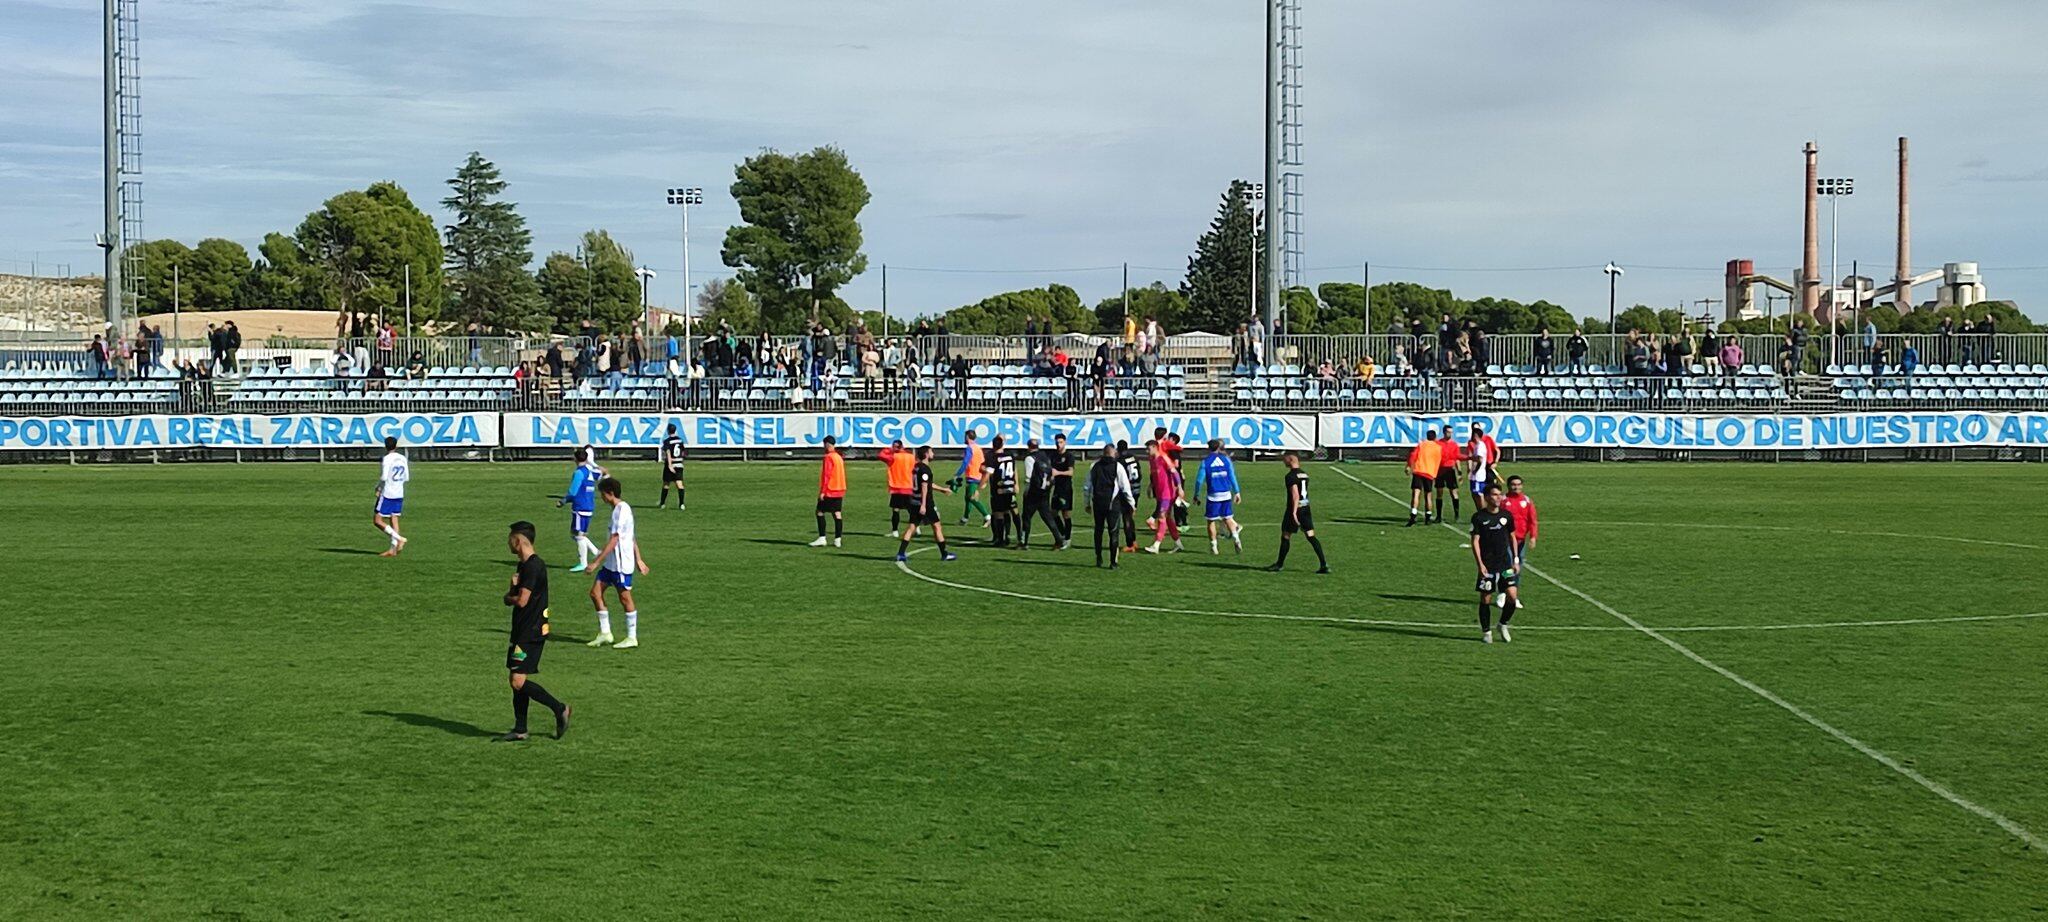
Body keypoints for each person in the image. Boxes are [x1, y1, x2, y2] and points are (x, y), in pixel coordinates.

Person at [498, 521, 570, 742]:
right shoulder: (524, 565)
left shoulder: (532, 566)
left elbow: (521, 601)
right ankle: (520, 728)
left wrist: (507, 597)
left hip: (531, 632)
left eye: (510, 538)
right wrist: (512, 588)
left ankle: (560, 708)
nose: (508, 542)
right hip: (523, 629)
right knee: (516, 677)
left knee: (518, 681)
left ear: (518, 540)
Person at [586, 478, 648, 649]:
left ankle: (632, 637)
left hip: (620, 565)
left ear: (610, 493)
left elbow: (615, 540)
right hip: (610, 564)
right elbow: (631, 537)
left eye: (602, 494)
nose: (601, 497)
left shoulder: (621, 511)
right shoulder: (618, 510)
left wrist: (595, 562)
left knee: (625, 598)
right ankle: (605, 633)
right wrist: (639, 559)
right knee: (595, 593)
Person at [1470, 484, 1520, 644]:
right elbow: (1475, 541)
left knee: (1512, 596)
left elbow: (1512, 537)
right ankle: (1486, 631)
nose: (1498, 497)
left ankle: (1503, 624)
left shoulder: (1506, 516)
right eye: (1494, 494)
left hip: (1505, 565)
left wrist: (1516, 559)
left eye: (1500, 494)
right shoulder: (1479, 517)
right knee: (1485, 599)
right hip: (1488, 566)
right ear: (1486, 497)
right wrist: (1480, 564)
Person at [1265, 453, 1328, 573]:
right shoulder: (1304, 474)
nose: (1283, 462)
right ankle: (1324, 564)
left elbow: (1295, 495)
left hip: (1295, 509)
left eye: (1285, 459)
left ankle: (1279, 564)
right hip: (1306, 508)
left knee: (1286, 535)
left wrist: (1293, 512)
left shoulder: (1290, 476)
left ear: (1290, 460)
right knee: (1311, 536)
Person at [895, 446, 957, 562]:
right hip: (925, 503)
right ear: (926, 454)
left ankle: (901, 553)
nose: (933, 454)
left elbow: (927, 484)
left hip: (914, 501)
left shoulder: (916, 467)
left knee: (912, 527)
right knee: (936, 526)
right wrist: (923, 504)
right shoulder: (925, 469)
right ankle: (944, 554)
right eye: (931, 452)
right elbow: (924, 486)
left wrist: (942, 490)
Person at [1086, 443, 1135, 568]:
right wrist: (1132, 504)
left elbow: (1087, 486)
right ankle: (1113, 562)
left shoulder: (1094, 466)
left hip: (1098, 503)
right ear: (1113, 453)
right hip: (1112, 504)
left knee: (1098, 530)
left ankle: (1099, 558)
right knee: (1113, 532)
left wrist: (1087, 503)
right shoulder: (1117, 466)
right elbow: (1125, 487)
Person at [556, 448, 605, 572]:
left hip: (580, 507)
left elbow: (573, 491)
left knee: (578, 535)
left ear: (575, 458)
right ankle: (596, 552)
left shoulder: (579, 473)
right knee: (577, 533)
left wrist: (563, 501)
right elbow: (601, 473)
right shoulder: (590, 471)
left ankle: (583, 563)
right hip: (589, 506)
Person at [1196, 439, 1244, 555]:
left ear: (1208, 448)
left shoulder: (1205, 462)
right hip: (1226, 494)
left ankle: (1214, 546)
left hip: (1213, 495)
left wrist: (1196, 494)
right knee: (1227, 518)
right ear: (1219, 447)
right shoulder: (1226, 460)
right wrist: (1237, 492)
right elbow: (1232, 476)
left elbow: (1199, 480)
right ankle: (1236, 538)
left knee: (1211, 521)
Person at [1499, 474, 1539, 612]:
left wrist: (1533, 537)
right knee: (1508, 566)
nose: (1516, 487)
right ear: (1508, 486)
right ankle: (1503, 593)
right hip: (1505, 539)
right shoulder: (1503, 500)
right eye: (1513, 485)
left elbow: (1532, 520)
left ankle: (1513, 595)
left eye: (1518, 485)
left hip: (1521, 539)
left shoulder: (1527, 501)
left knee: (1517, 567)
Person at [1018, 438, 1066, 549]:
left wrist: (1026, 491)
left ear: (1028, 447)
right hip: (1045, 490)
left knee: (1026, 517)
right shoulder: (1044, 455)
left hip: (1033, 491)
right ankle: (1059, 540)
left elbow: (1029, 477)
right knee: (1047, 516)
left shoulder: (1030, 458)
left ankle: (1024, 542)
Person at [1142, 439, 1183, 554]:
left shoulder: (1163, 458)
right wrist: (1150, 486)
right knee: (1168, 518)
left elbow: (1174, 473)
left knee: (1161, 517)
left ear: (1155, 447)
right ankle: (1178, 543)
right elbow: (1154, 474)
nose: (1147, 451)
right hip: (1160, 493)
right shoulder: (1151, 460)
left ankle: (1156, 545)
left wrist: (1179, 487)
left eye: (1148, 449)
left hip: (1167, 493)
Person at [372, 436, 410, 557]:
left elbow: (384, 477)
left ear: (385, 446)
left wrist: (378, 487)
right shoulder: (402, 458)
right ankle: (393, 549)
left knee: (377, 520)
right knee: (394, 518)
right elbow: (406, 477)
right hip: (399, 492)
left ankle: (399, 539)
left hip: (388, 492)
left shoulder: (387, 459)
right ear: (396, 446)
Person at [810, 436, 848, 547]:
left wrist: (823, 491)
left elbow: (827, 475)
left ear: (827, 444)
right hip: (840, 488)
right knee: (837, 513)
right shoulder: (838, 457)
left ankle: (822, 538)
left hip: (830, 489)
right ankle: (838, 539)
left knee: (819, 512)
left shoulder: (828, 457)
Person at [983, 436, 1019, 547]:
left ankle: (1001, 539)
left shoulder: (992, 456)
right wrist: (1016, 484)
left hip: (998, 488)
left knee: (999, 513)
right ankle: (1018, 536)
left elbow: (987, 471)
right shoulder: (1010, 455)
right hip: (1010, 487)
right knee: (1011, 511)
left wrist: (981, 485)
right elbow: (1014, 470)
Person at [879, 439, 918, 537]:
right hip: (909, 486)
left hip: (897, 487)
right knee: (911, 509)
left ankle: (895, 531)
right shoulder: (911, 457)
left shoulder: (893, 457)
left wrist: (889, 450)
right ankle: (916, 527)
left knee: (896, 510)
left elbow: (881, 455)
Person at [1405, 430, 1443, 527]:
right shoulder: (1438, 448)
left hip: (1419, 471)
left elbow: (1413, 455)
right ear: (1435, 437)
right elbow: (1439, 460)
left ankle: (1413, 515)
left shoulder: (1421, 445)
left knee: (1416, 494)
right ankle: (1428, 517)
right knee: (1428, 495)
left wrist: (1409, 466)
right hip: (1429, 473)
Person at [953, 430, 990, 526]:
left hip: (973, 476)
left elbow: (965, 462)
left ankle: (987, 517)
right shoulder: (978, 448)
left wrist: (958, 474)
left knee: (972, 498)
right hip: (979, 476)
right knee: (967, 498)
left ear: (967, 437)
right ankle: (965, 518)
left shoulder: (969, 448)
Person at [1116, 439, 1144, 552]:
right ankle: (1134, 541)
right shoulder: (1134, 457)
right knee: (1130, 516)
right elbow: (1140, 473)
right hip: (1137, 489)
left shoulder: (1120, 461)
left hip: (1127, 490)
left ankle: (1130, 544)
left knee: (1126, 517)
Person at [1048, 433, 1077, 540]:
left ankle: (1067, 538)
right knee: (1053, 512)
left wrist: (1058, 473)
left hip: (1066, 488)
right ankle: (1063, 533)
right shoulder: (1053, 456)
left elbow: (1070, 472)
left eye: (1060, 442)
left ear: (1065, 443)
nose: (1058, 445)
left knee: (1066, 513)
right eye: (1057, 443)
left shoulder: (1069, 456)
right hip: (1057, 488)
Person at [1433, 429, 1464, 524]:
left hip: (1450, 470)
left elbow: (1457, 458)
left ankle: (1457, 515)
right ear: (1444, 432)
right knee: (1439, 492)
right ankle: (1439, 516)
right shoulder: (1438, 443)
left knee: (1453, 492)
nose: (1450, 434)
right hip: (1440, 470)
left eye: (1451, 432)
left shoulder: (1454, 445)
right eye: (1448, 432)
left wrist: (1459, 471)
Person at [1465, 423, 1499, 502]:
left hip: (1488, 466)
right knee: (1478, 491)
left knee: (1490, 489)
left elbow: (1497, 450)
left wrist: (1495, 462)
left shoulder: (1487, 439)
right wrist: (1469, 469)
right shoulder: (1471, 442)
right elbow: (1470, 456)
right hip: (1480, 468)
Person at [659, 424, 686, 510]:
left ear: (668, 431)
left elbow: (668, 453)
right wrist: (681, 460)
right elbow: (683, 452)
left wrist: (670, 465)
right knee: (679, 484)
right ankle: (682, 504)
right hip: (679, 464)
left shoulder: (667, 441)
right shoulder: (680, 440)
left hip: (671, 464)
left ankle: (662, 503)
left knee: (666, 484)